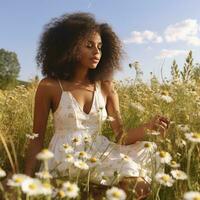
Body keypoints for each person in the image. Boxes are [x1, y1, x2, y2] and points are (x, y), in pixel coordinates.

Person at [24, 12, 169, 199]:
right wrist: (26, 179)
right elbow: (37, 138)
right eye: (89, 46)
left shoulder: (106, 85)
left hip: (99, 152)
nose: (97, 53)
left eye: (100, 47)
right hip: (65, 157)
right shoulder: (49, 86)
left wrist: (148, 127)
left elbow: (121, 135)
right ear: (71, 47)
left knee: (139, 186)